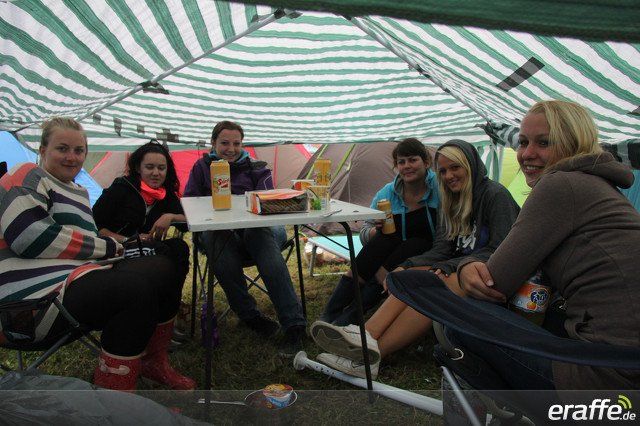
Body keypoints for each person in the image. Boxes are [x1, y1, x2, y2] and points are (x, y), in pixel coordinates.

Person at [455, 100, 640, 390]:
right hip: (623, 357)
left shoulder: (560, 185)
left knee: (460, 316)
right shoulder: (600, 186)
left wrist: (466, 266)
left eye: (544, 143)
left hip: (609, 373)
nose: (527, 154)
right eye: (523, 142)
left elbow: (494, 284)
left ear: (573, 143)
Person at [0, 117, 194, 391]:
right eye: (62, 149)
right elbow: (29, 236)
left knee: (165, 266)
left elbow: (87, 245)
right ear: (42, 150)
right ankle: (113, 395)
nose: (72, 157)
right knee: (134, 289)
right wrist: (114, 245)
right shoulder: (29, 175)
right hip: (28, 303)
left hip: (77, 278)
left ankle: (153, 360)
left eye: (79, 150)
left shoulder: (78, 191)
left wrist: (119, 247)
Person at [311, 139, 520, 379]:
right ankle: (365, 335)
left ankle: (370, 358)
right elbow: (443, 247)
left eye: (455, 168)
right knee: (408, 277)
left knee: (431, 289)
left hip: (484, 275)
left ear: (470, 165)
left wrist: (450, 265)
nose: (449, 176)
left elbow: (502, 248)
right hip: (456, 267)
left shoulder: (494, 195)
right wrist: (406, 266)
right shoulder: (450, 199)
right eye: (443, 171)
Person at [184, 120, 306, 356]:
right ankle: (249, 315)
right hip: (222, 237)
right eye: (224, 143)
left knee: (257, 232)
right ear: (213, 143)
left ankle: (294, 324)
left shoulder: (258, 167)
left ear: (242, 144)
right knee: (217, 238)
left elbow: (270, 205)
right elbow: (190, 204)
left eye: (236, 143)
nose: (231, 149)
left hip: (261, 232)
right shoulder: (202, 168)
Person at [319, 138, 439, 326]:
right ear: (396, 166)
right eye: (401, 162)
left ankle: (350, 316)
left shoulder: (439, 189)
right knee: (381, 241)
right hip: (392, 248)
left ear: (426, 162)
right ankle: (330, 313)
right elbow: (364, 232)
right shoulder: (388, 193)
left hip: (428, 250)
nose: (407, 166)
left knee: (412, 244)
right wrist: (374, 231)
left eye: (413, 160)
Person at [92, 141, 189, 289]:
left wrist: (170, 217)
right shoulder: (121, 188)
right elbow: (96, 226)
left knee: (179, 247)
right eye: (149, 167)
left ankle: (170, 300)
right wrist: (130, 239)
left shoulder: (166, 195)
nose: (156, 173)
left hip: (147, 249)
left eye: (161, 168)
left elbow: (188, 223)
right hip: (117, 248)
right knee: (161, 253)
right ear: (138, 168)